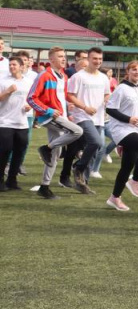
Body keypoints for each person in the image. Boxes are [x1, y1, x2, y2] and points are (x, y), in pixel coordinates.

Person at [27, 46, 84, 199]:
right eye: (60, 56)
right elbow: (31, 98)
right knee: (78, 131)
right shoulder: (44, 75)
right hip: (49, 117)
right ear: (51, 59)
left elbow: (62, 99)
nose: (63, 58)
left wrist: (68, 112)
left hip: (61, 117)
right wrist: (49, 111)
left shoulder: (64, 77)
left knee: (56, 153)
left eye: (64, 56)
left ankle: (44, 187)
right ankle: (46, 148)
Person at [104, 61, 138, 211]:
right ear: (128, 71)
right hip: (122, 129)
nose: (137, 72)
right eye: (134, 69)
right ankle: (135, 181)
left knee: (127, 166)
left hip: (136, 129)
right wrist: (128, 119)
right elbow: (110, 109)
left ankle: (114, 198)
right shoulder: (121, 88)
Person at [61, 46, 110, 194]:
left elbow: (107, 94)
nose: (97, 61)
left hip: (99, 118)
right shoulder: (78, 76)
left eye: (100, 59)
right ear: (88, 59)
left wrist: (106, 100)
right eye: (94, 58)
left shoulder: (103, 77)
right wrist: (84, 107)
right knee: (97, 142)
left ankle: (83, 182)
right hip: (82, 117)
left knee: (95, 150)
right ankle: (79, 167)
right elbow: (70, 95)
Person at [0, 56, 32, 191]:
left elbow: (32, 99)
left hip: (22, 122)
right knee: (4, 152)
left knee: (19, 152)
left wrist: (29, 106)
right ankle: (0, 180)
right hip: (5, 122)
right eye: (10, 65)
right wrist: (7, 91)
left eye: (14, 65)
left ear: (21, 67)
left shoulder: (28, 82)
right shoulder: (3, 81)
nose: (12, 67)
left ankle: (12, 180)